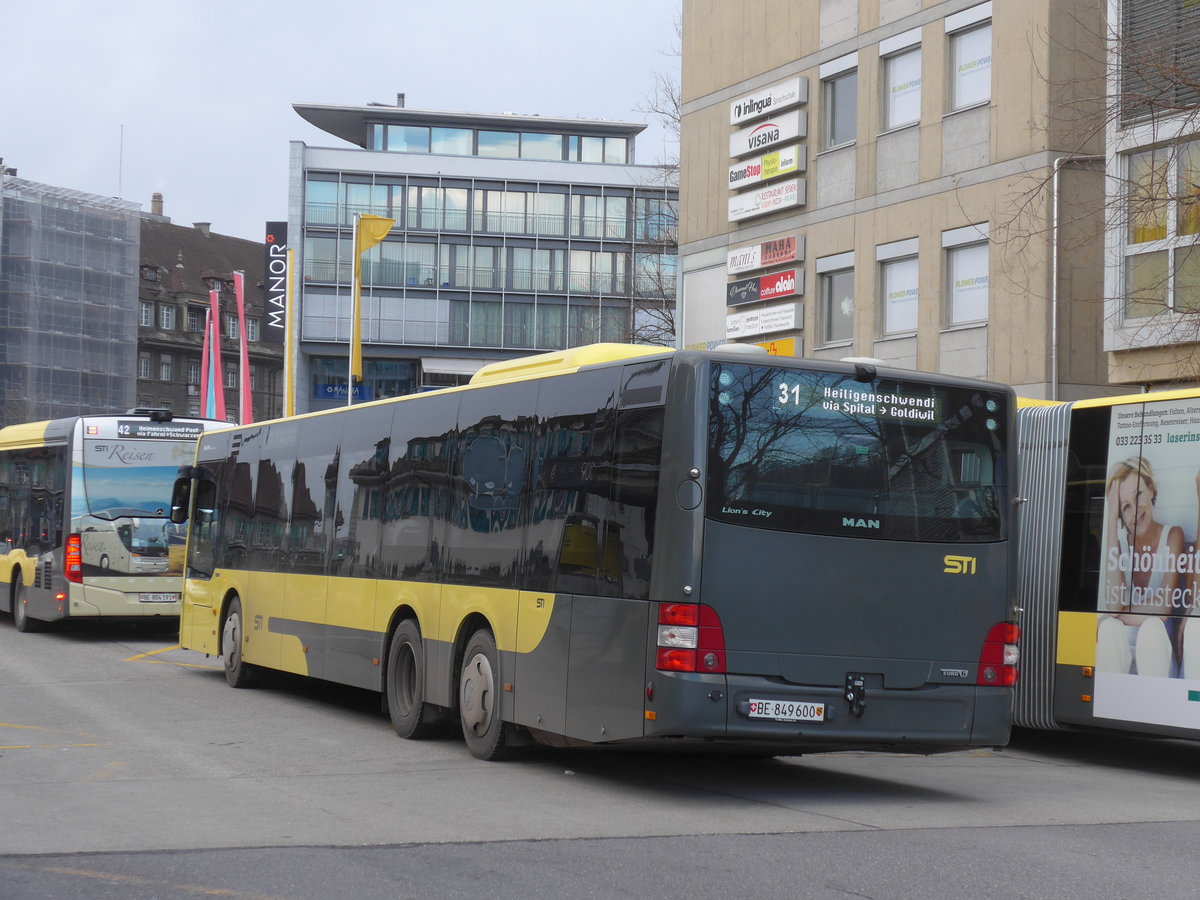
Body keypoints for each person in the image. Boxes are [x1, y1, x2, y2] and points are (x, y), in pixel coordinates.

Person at [1096, 457, 1184, 677]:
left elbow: (1163, 608)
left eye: (1138, 495)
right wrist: (1111, 519)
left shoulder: (1172, 535)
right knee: (1107, 629)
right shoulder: (1119, 543)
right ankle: (1112, 701)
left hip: (1158, 661)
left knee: (1152, 627)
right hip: (1122, 660)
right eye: (1125, 507)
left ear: (1151, 489)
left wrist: (1115, 614)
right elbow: (1114, 603)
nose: (1134, 511)